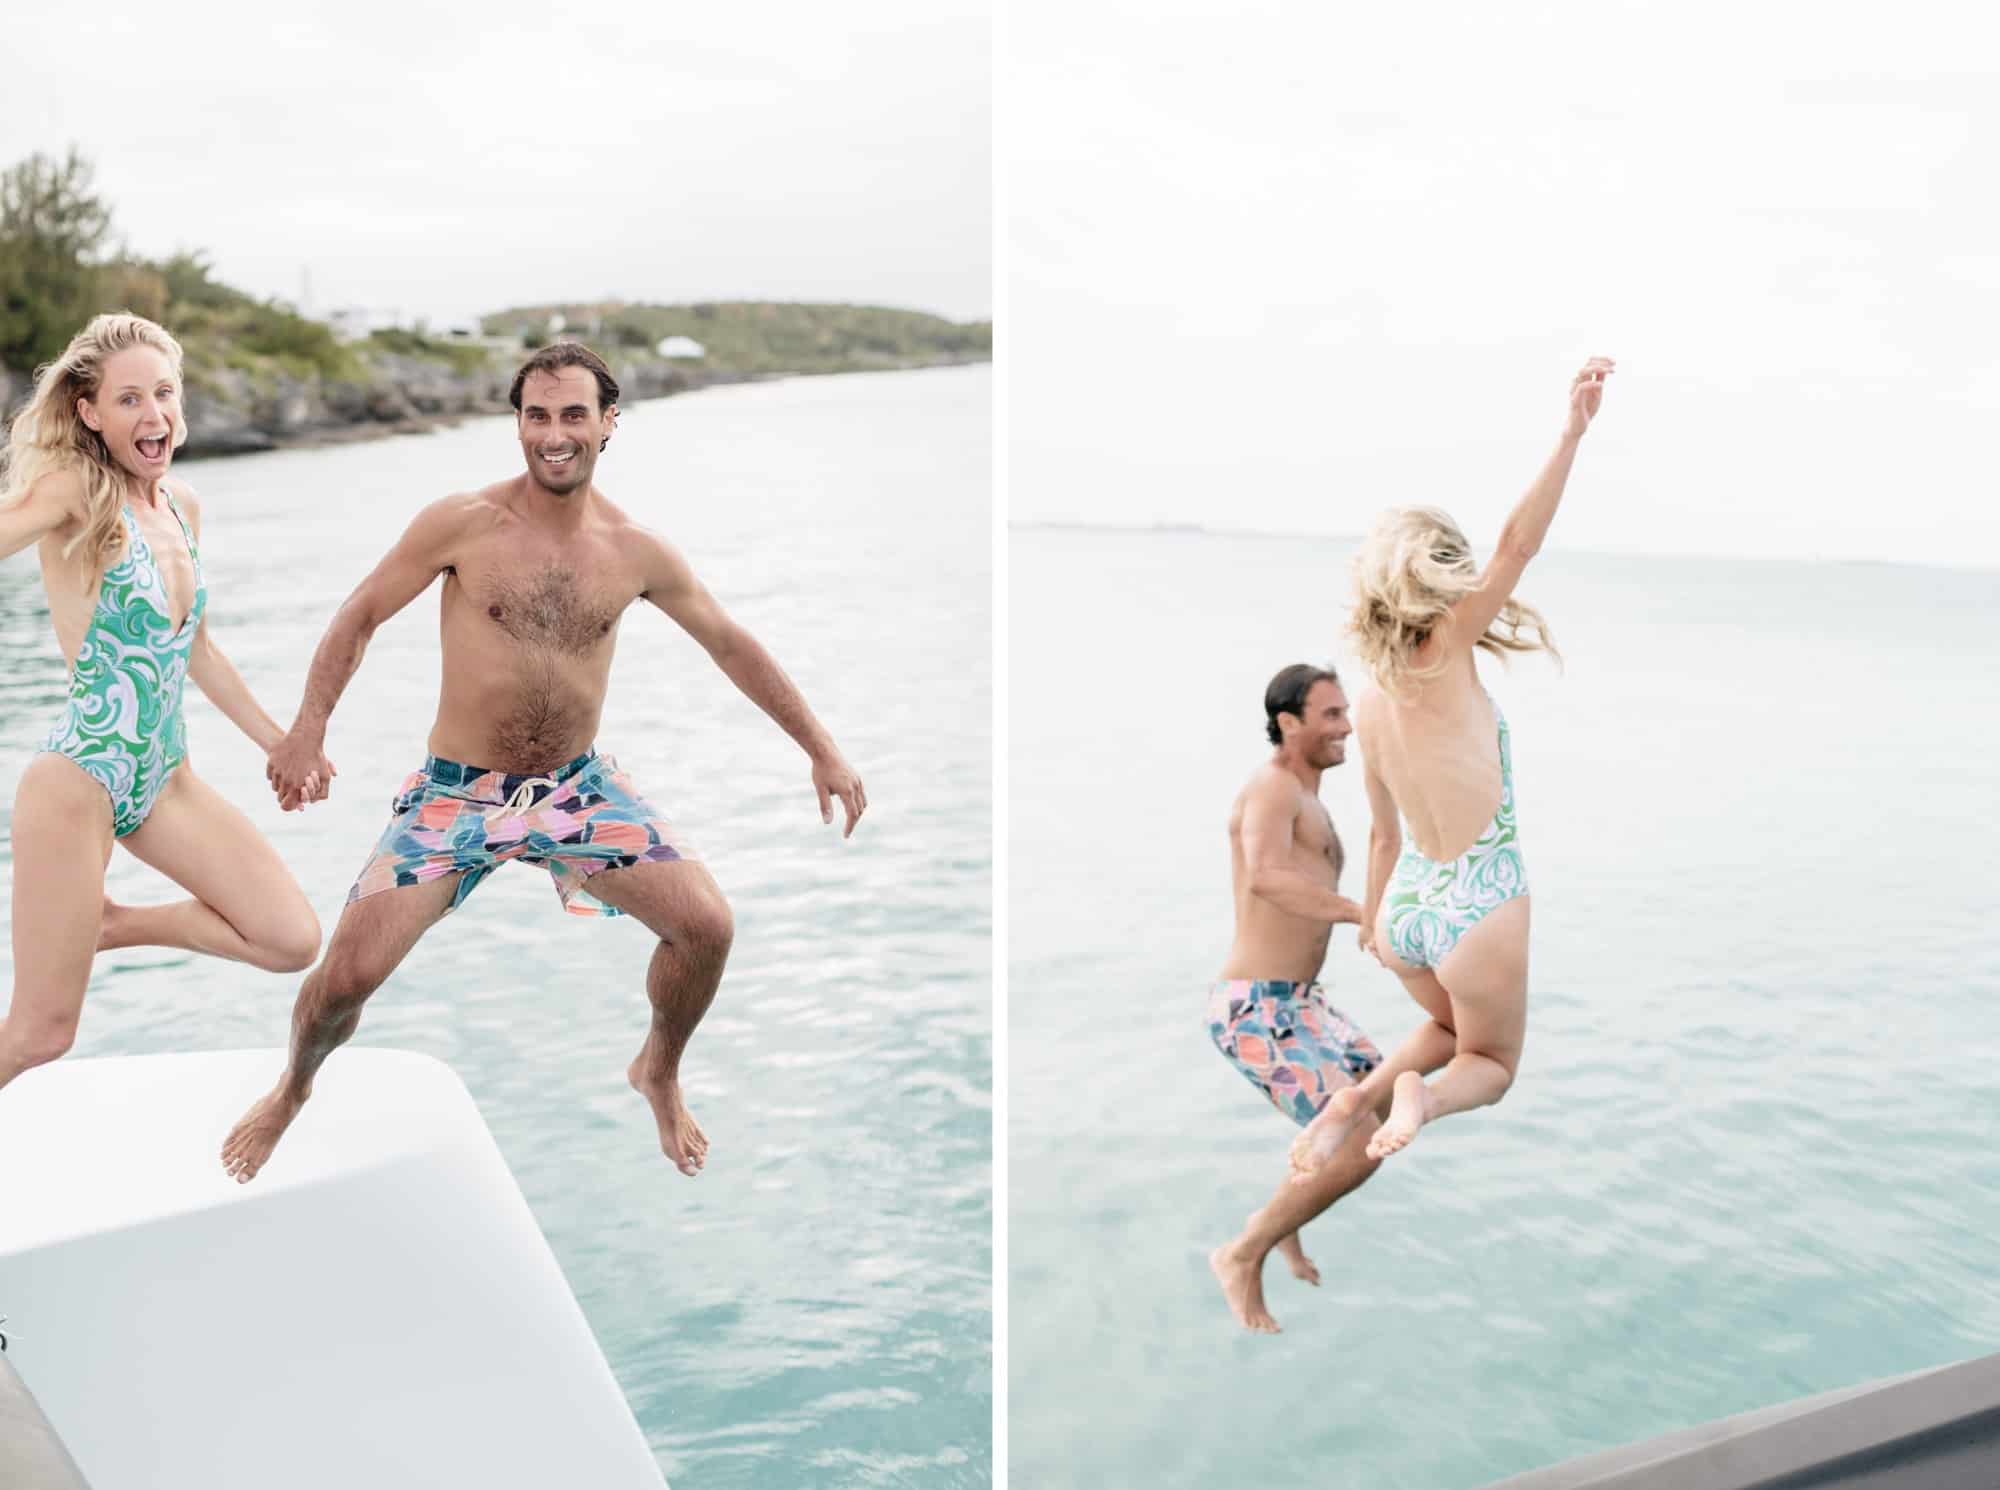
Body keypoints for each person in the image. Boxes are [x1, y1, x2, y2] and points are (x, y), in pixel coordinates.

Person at [220, 342, 865, 1183]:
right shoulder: (462, 524)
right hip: (458, 795)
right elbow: (360, 614)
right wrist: (307, 730)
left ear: (608, 424)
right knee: (344, 979)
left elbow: (731, 646)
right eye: (537, 415)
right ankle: (294, 1087)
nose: (554, 434)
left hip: (575, 788)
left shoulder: (637, 551)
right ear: (517, 423)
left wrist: (821, 748)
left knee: (706, 927)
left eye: (573, 415)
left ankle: (658, 1071)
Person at [1288, 356, 1613, 1178]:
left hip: (1407, 913)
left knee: (1447, 1033)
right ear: (1442, 577)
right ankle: (1419, 1101)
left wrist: (1372, 922)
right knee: (1492, 1066)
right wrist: (1570, 434)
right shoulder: (1447, 650)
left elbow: (1382, 832)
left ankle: (1351, 1101)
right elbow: (1519, 543)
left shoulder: (1364, 700)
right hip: (1479, 897)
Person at [0, 313, 323, 1092]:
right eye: (129, 399)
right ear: (90, 413)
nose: (154, 416)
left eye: (165, 394)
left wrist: (283, 742)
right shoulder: (77, 491)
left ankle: (113, 924)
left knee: (289, 938)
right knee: (42, 1036)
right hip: (80, 779)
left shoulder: (182, 504)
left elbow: (199, 648)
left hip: (161, 777)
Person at [1206, 663, 1386, 1333]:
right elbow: (1265, 878)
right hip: (1258, 1008)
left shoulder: (1311, 798)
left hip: (1304, 1004)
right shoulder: (1272, 789)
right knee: (1359, 1140)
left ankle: (1288, 1214)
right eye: (1332, 716)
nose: (1347, 727)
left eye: (1346, 713)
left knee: (1391, 1097)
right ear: (1290, 723)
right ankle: (1242, 1252)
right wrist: (1354, 909)